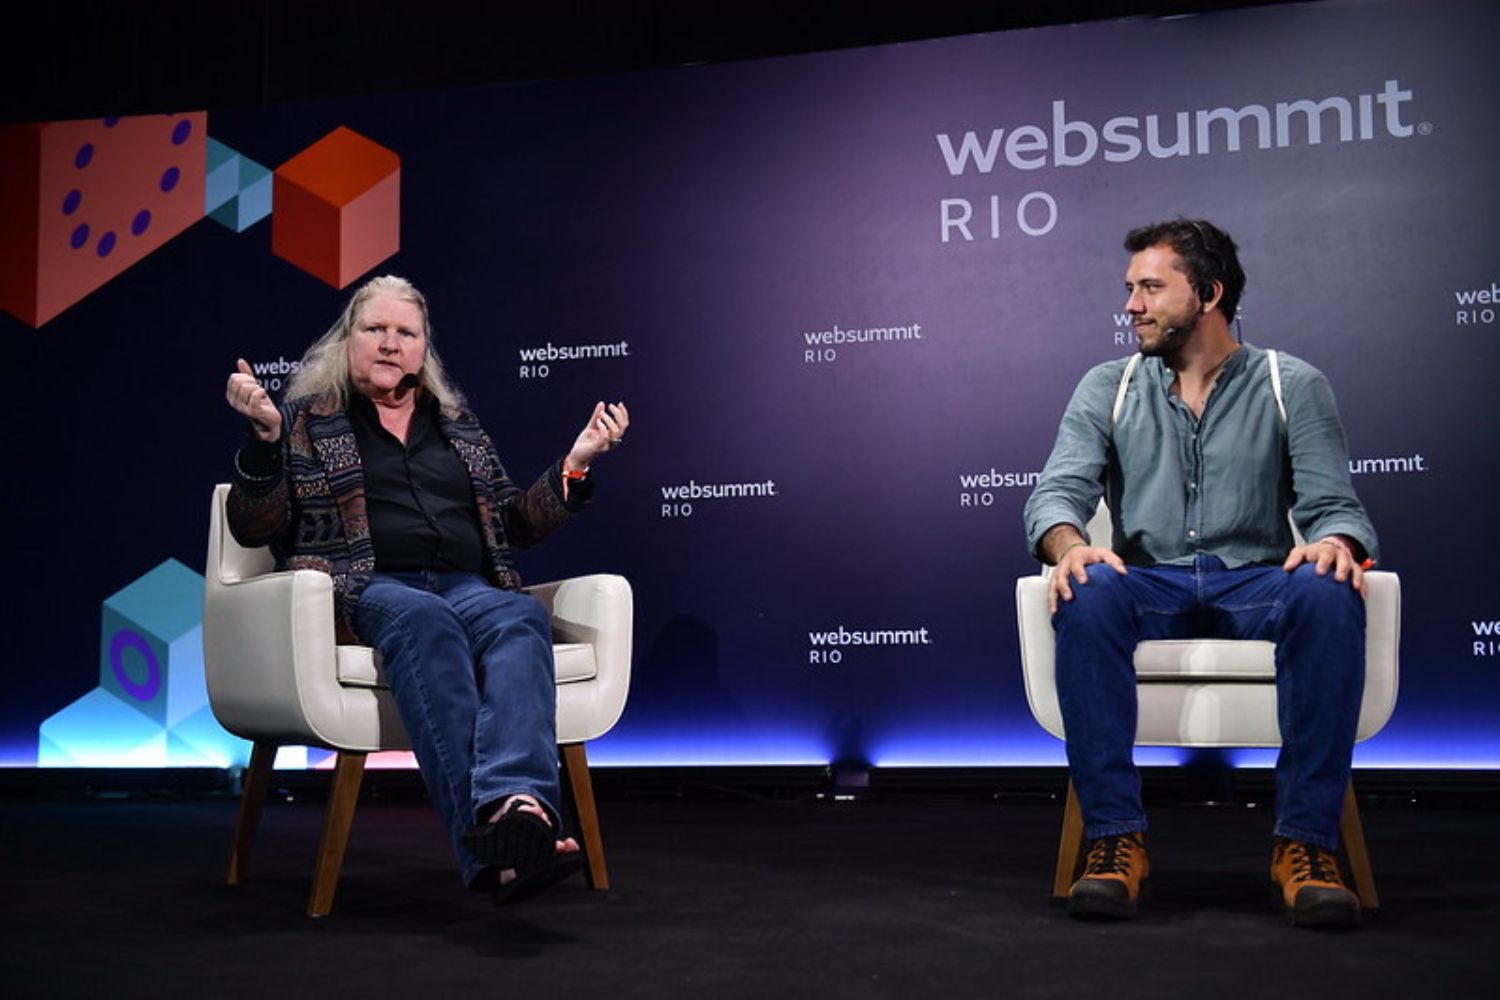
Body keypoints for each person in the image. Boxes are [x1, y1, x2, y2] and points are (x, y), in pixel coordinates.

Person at [224, 274, 629, 903]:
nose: (390, 343)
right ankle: (501, 835)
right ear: (347, 339)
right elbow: (257, 526)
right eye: (375, 329)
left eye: (405, 333)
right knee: (424, 622)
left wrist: (573, 466)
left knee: (520, 619)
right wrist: (265, 442)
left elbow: (516, 525)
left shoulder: (459, 429)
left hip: (466, 583)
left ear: (423, 349)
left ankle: (514, 812)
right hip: (365, 585)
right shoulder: (305, 420)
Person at [1023, 219, 1378, 928]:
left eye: (1151, 288)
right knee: (1088, 589)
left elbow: (1336, 506)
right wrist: (1069, 547)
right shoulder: (1109, 385)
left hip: (1255, 581)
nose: (1131, 306)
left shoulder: (1291, 383)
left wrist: (1335, 543)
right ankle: (1115, 841)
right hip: (1149, 580)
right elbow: (1056, 497)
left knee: (1329, 587)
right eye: (1130, 289)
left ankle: (1304, 847)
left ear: (1209, 293)